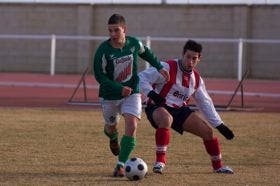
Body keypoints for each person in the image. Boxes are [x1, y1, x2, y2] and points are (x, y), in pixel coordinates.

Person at [139, 40, 235, 174]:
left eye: (194, 58)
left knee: (207, 132)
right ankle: (160, 162)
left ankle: (218, 167)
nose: (190, 61)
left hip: (179, 110)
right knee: (166, 119)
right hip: (157, 106)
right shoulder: (167, 67)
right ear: (183, 54)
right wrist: (151, 94)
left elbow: (205, 103)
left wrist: (220, 125)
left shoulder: (196, 79)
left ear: (199, 59)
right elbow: (141, 77)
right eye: (188, 57)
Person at [93, 13, 169, 177]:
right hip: (110, 95)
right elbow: (99, 76)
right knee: (111, 127)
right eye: (110, 31)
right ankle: (113, 138)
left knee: (132, 125)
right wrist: (118, 88)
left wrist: (159, 67)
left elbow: (146, 52)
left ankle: (120, 164)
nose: (113, 34)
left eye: (116, 30)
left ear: (124, 29)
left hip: (132, 93)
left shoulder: (134, 43)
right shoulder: (103, 50)